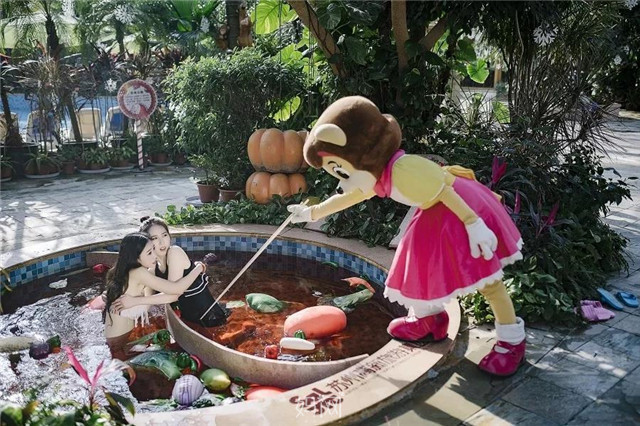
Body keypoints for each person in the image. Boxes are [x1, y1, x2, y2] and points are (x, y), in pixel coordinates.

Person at [286, 96, 525, 376]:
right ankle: (429, 320)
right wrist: (312, 212)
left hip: (461, 209)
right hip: (436, 212)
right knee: (419, 266)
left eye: (339, 169)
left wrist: (473, 224)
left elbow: (445, 191)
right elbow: (351, 195)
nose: (340, 181)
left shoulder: (403, 170)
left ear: (361, 153)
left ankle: (511, 341)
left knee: (487, 280)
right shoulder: (377, 175)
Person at [111, 217, 228, 327]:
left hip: (211, 319)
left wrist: (135, 301)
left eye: (164, 235)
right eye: (154, 238)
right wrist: (119, 303)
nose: (162, 242)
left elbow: (174, 294)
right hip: (186, 322)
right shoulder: (152, 269)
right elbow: (148, 303)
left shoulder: (174, 253)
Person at [103, 232, 206, 340]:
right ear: (136, 257)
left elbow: (153, 296)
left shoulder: (123, 271)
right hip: (118, 340)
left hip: (118, 335)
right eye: (149, 253)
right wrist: (199, 268)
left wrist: (135, 301)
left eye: (153, 249)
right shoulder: (139, 273)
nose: (155, 255)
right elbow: (176, 291)